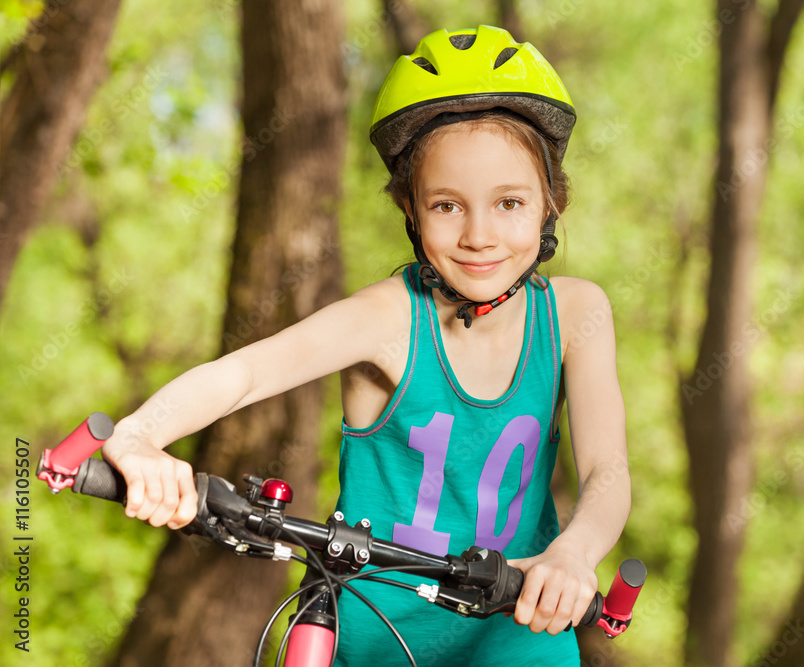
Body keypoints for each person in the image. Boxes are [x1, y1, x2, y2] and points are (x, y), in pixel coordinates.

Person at [102, 25, 630, 665]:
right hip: (369, 637)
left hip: (514, 638)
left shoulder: (574, 313)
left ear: (551, 202)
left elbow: (607, 470)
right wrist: (137, 437)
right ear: (410, 208)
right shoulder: (387, 319)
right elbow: (241, 375)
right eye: (446, 206)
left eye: (510, 202)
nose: (480, 235)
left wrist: (574, 552)